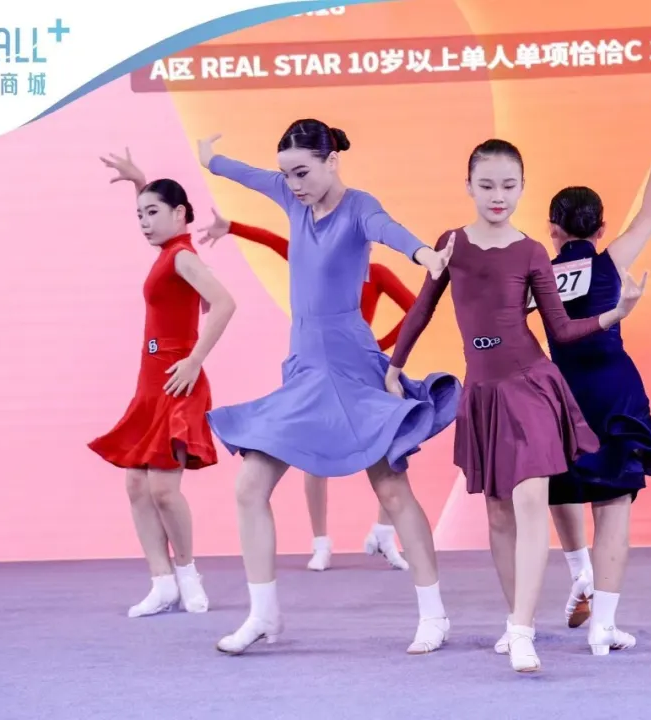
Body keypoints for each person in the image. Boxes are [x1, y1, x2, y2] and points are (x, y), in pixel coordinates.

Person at [198, 119, 460, 656]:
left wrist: (425, 255)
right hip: (303, 370)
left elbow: (388, 229)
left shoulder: (359, 207)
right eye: (286, 175)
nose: (293, 184)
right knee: (249, 487)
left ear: (331, 161)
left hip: (350, 366)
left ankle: (434, 615)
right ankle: (264, 615)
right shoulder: (290, 198)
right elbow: (247, 175)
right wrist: (211, 160)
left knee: (392, 490)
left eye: (302, 172)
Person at [386, 139, 646, 673]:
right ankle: (515, 620)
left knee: (530, 501)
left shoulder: (530, 252)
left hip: (530, 385)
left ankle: (523, 632)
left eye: (508, 185)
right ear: (468, 186)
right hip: (482, 394)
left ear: (523, 188)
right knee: (498, 513)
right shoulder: (451, 244)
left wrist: (614, 314)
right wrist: (394, 365)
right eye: (486, 185)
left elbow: (561, 330)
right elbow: (421, 310)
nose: (498, 195)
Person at [543, 115, 651, 656]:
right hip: (613, 393)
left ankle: (579, 572)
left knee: (559, 485)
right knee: (613, 505)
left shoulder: (538, 274)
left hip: (562, 396)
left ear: (552, 230)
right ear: (601, 229)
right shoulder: (612, 261)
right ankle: (603, 626)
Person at [198, 215, 412, 571]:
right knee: (314, 450)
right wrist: (233, 227)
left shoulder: (378, 274)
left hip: (360, 372)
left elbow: (415, 308)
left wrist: (379, 345)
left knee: (390, 447)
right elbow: (273, 241)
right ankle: (321, 541)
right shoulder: (313, 267)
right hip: (317, 373)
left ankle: (384, 531)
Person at [90, 149, 237, 618]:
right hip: (151, 381)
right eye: (139, 215)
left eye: (152, 213)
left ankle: (188, 575)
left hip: (178, 381)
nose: (143, 222)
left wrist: (194, 360)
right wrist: (140, 181)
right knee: (136, 484)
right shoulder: (168, 254)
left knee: (163, 489)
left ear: (180, 214)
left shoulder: (182, 257)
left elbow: (225, 303)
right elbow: (160, 212)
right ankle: (162, 583)